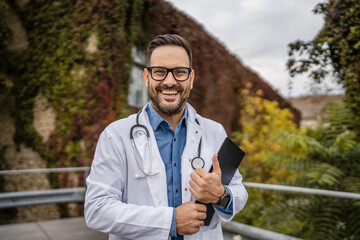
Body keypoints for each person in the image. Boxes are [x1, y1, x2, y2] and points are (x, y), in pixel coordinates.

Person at [84, 34, 248, 240]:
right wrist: (170, 221)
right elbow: (97, 209)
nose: (169, 82)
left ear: (191, 79)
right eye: (159, 72)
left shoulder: (215, 131)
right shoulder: (115, 135)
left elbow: (238, 190)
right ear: (146, 77)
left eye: (180, 72)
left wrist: (221, 195)